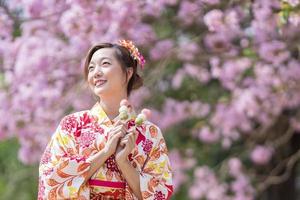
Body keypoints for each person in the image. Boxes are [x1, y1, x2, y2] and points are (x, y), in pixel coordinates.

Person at [38, 40, 173, 200]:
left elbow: (160, 193)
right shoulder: (72, 125)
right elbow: (51, 180)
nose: (96, 73)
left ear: (128, 73)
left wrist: (123, 162)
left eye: (105, 64)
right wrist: (105, 152)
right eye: (91, 68)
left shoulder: (150, 133)